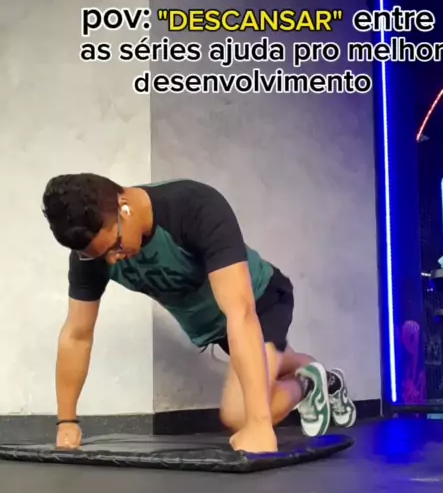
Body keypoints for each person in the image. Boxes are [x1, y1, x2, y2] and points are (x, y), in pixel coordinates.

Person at [41, 174, 356, 454]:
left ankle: (305, 385)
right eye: (100, 255)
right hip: (220, 329)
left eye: (117, 246)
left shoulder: (193, 206)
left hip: (261, 303)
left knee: (240, 415)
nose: (112, 260)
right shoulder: (91, 256)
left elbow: (241, 312)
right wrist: (67, 422)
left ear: (125, 207)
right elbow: (77, 335)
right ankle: (320, 376)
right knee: (264, 374)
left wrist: (260, 426)